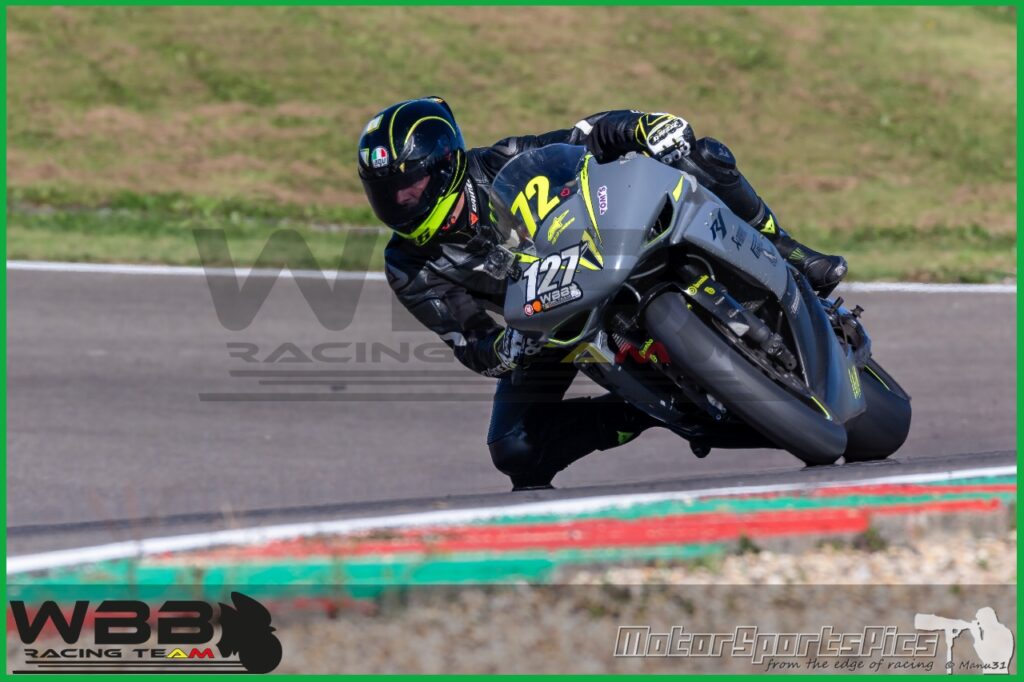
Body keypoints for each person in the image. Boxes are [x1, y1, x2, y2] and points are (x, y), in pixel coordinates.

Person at [358, 97, 847, 490]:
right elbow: (471, 342)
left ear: (446, 166)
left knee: (695, 153)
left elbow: (586, 136)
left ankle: (787, 250)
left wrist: (642, 126)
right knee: (515, 449)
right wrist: (508, 347)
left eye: (411, 186)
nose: (401, 202)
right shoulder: (408, 266)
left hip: (605, 247)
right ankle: (649, 409)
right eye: (388, 193)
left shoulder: (502, 160)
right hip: (547, 324)